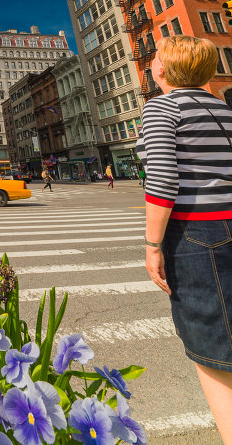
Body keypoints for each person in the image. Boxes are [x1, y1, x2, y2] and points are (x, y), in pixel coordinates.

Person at [137, 35, 232, 443]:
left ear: (163, 68)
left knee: (213, 350)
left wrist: (153, 245)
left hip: (197, 233)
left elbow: (162, 182)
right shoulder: (223, 108)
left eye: (156, 57)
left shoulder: (161, 107)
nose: (152, 63)